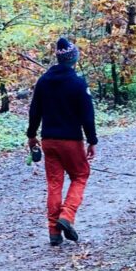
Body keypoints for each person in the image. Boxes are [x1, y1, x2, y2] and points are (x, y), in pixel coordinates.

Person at [27, 37, 97, 246]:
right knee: (81, 175)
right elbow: (87, 115)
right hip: (71, 141)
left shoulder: (43, 81)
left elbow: (34, 111)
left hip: (49, 140)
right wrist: (92, 140)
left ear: (58, 59)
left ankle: (53, 232)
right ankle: (66, 216)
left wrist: (31, 136)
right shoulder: (77, 82)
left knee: (54, 184)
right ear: (73, 59)